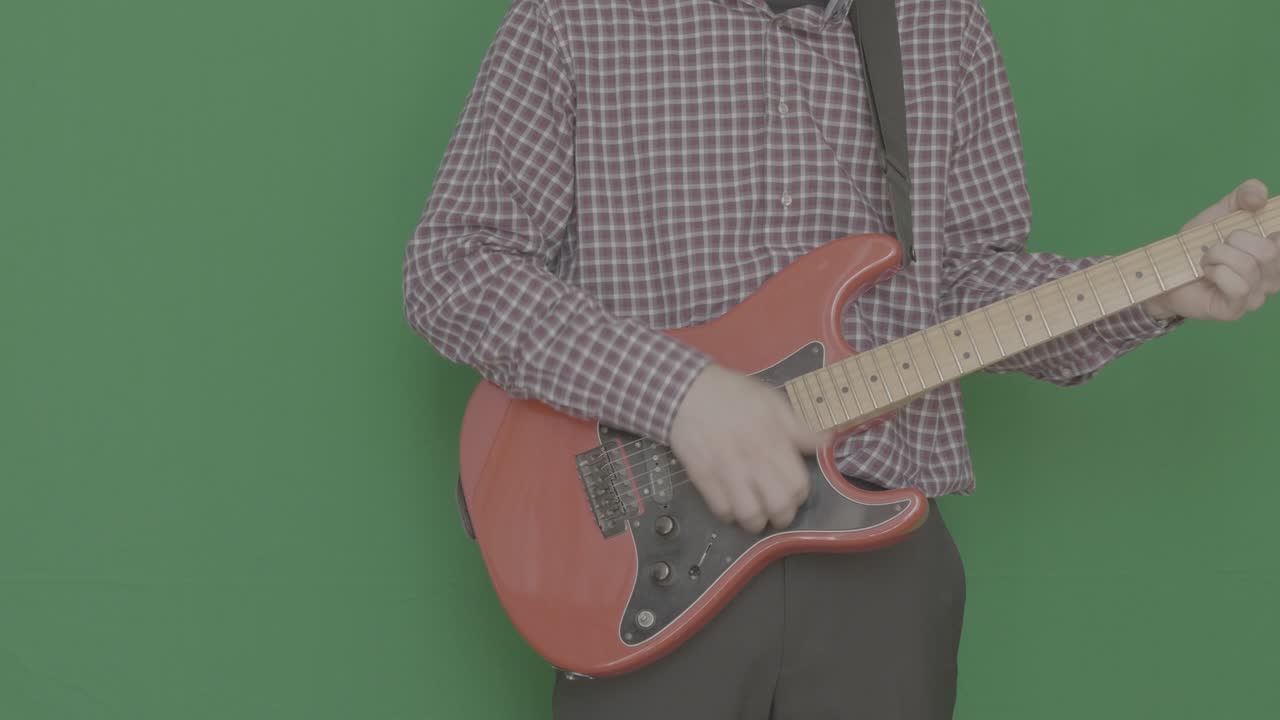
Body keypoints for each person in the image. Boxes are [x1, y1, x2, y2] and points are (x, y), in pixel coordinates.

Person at [403, 0, 1280, 717]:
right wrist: (681, 396)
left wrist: (1156, 288)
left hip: (880, 571)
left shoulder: (942, 27)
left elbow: (970, 288)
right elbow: (453, 266)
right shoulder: (575, 17)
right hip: (643, 555)